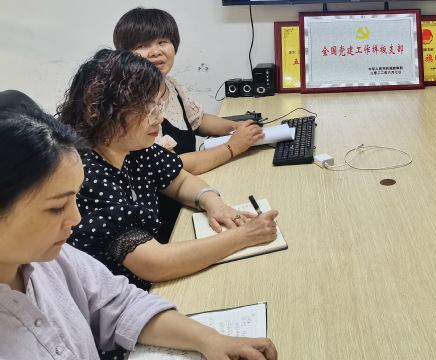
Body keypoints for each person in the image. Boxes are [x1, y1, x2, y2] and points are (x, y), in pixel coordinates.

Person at [0, 100, 278, 360]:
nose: (75, 218)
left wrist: (210, 339)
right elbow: (153, 264)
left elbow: (121, 306)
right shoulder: (92, 179)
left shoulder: (56, 259)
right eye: (57, 207)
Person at [56, 49, 280, 293]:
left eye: (158, 107)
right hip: (118, 298)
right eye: (149, 110)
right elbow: (154, 264)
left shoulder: (133, 147)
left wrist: (213, 202)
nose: (160, 119)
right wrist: (244, 235)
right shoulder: (84, 174)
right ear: (108, 113)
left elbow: (180, 180)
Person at [113, 7, 265, 242]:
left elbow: (198, 120)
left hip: (186, 194)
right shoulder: (132, 109)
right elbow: (170, 166)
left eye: (162, 42)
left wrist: (235, 128)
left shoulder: (172, 85)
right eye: (142, 45)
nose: (155, 52)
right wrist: (232, 147)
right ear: (124, 55)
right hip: (161, 213)